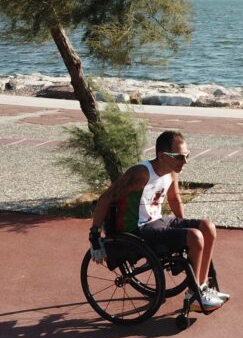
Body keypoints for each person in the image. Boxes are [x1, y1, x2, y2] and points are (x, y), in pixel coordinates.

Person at [89, 130, 228, 311]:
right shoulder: (140, 173)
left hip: (159, 221)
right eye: (179, 157)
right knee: (195, 236)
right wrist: (94, 234)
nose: (185, 161)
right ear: (162, 156)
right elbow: (106, 198)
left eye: (187, 155)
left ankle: (201, 287)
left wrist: (182, 230)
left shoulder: (172, 171)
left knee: (207, 227)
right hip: (138, 229)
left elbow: (174, 198)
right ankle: (194, 294)